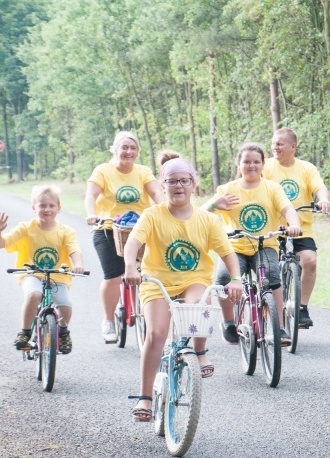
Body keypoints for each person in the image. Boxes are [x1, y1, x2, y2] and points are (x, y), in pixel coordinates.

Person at [122, 155, 242, 422]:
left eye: (184, 181)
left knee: (198, 307)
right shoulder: (152, 215)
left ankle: (199, 351)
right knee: (156, 333)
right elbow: (132, 244)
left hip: (193, 280)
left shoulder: (208, 220)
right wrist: (131, 266)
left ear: (194, 184)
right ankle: (145, 396)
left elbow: (228, 253)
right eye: (172, 181)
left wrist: (236, 279)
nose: (178, 186)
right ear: (163, 185)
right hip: (156, 282)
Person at [203, 143, 302, 346]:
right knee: (223, 279)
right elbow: (200, 215)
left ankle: (280, 327)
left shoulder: (272, 188)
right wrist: (214, 204)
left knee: (273, 276)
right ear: (239, 164)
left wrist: (294, 224)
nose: (251, 166)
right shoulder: (227, 189)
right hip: (234, 247)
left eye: (256, 162)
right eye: (246, 161)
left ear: (263, 164)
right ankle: (229, 323)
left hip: (263, 245)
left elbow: (288, 209)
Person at [85, 131, 161, 343]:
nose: (128, 152)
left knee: (146, 272)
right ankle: (108, 320)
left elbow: (157, 194)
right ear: (115, 150)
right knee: (114, 275)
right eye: (124, 147)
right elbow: (91, 195)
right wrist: (92, 215)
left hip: (139, 228)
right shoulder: (103, 170)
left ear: (137, 152)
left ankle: (148, 314)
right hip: (107, 229)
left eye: (133, 148)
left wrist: (165, 209)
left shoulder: (143, 171)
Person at [0, 185, 85, 354]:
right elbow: (4, 243)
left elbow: (74, 249)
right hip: (31, 273)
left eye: (51, 206)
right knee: (34, 294)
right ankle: (24, 332)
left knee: (65, 305)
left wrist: (78, 264)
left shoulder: (66, 231)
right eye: (42, 205)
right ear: (34, 208)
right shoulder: (25, 228)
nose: (47, 209)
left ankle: (62, 332)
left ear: (58, 209)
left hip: (58, 276)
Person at [262, 128, 330, 328]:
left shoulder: (306, 168)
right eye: (274, 143)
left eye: (280, 144)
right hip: (272, 228)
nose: (275, 147)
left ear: (293, 147)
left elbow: (319, 187)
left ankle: (302, 308)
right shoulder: (265, 166)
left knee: (309, 261)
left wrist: (323, 199)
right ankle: (267, 305)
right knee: (266, 269)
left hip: (300, 227)